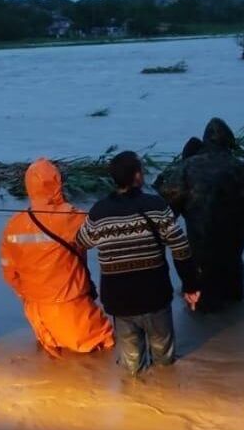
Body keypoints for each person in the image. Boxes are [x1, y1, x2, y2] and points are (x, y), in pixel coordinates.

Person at [76, 151, 201, 374]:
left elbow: (81, 241)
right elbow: (181, 248)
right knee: (164, 362)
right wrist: (190, 286)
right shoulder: (156, 206)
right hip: (155, 295)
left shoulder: (99, 211)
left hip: (119, 300)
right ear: (137, 177)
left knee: (131, 365)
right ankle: (165, 392)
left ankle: (135, 396)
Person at [0, 159, 114, 357]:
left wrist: (26, 293)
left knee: (54, 347)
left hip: (36, 308)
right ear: (58, 183)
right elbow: (101, 230)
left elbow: (8, 269)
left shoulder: (14, 224)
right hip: (70, 303)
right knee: (101, 343)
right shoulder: (70, 216)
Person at [155, 118, 244, 311]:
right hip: (233, 240)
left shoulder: (188, 166)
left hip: (201, 238)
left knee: (203, 294)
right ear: (229, 141)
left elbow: (168, 203)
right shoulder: (240, 167)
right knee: (234, 287)